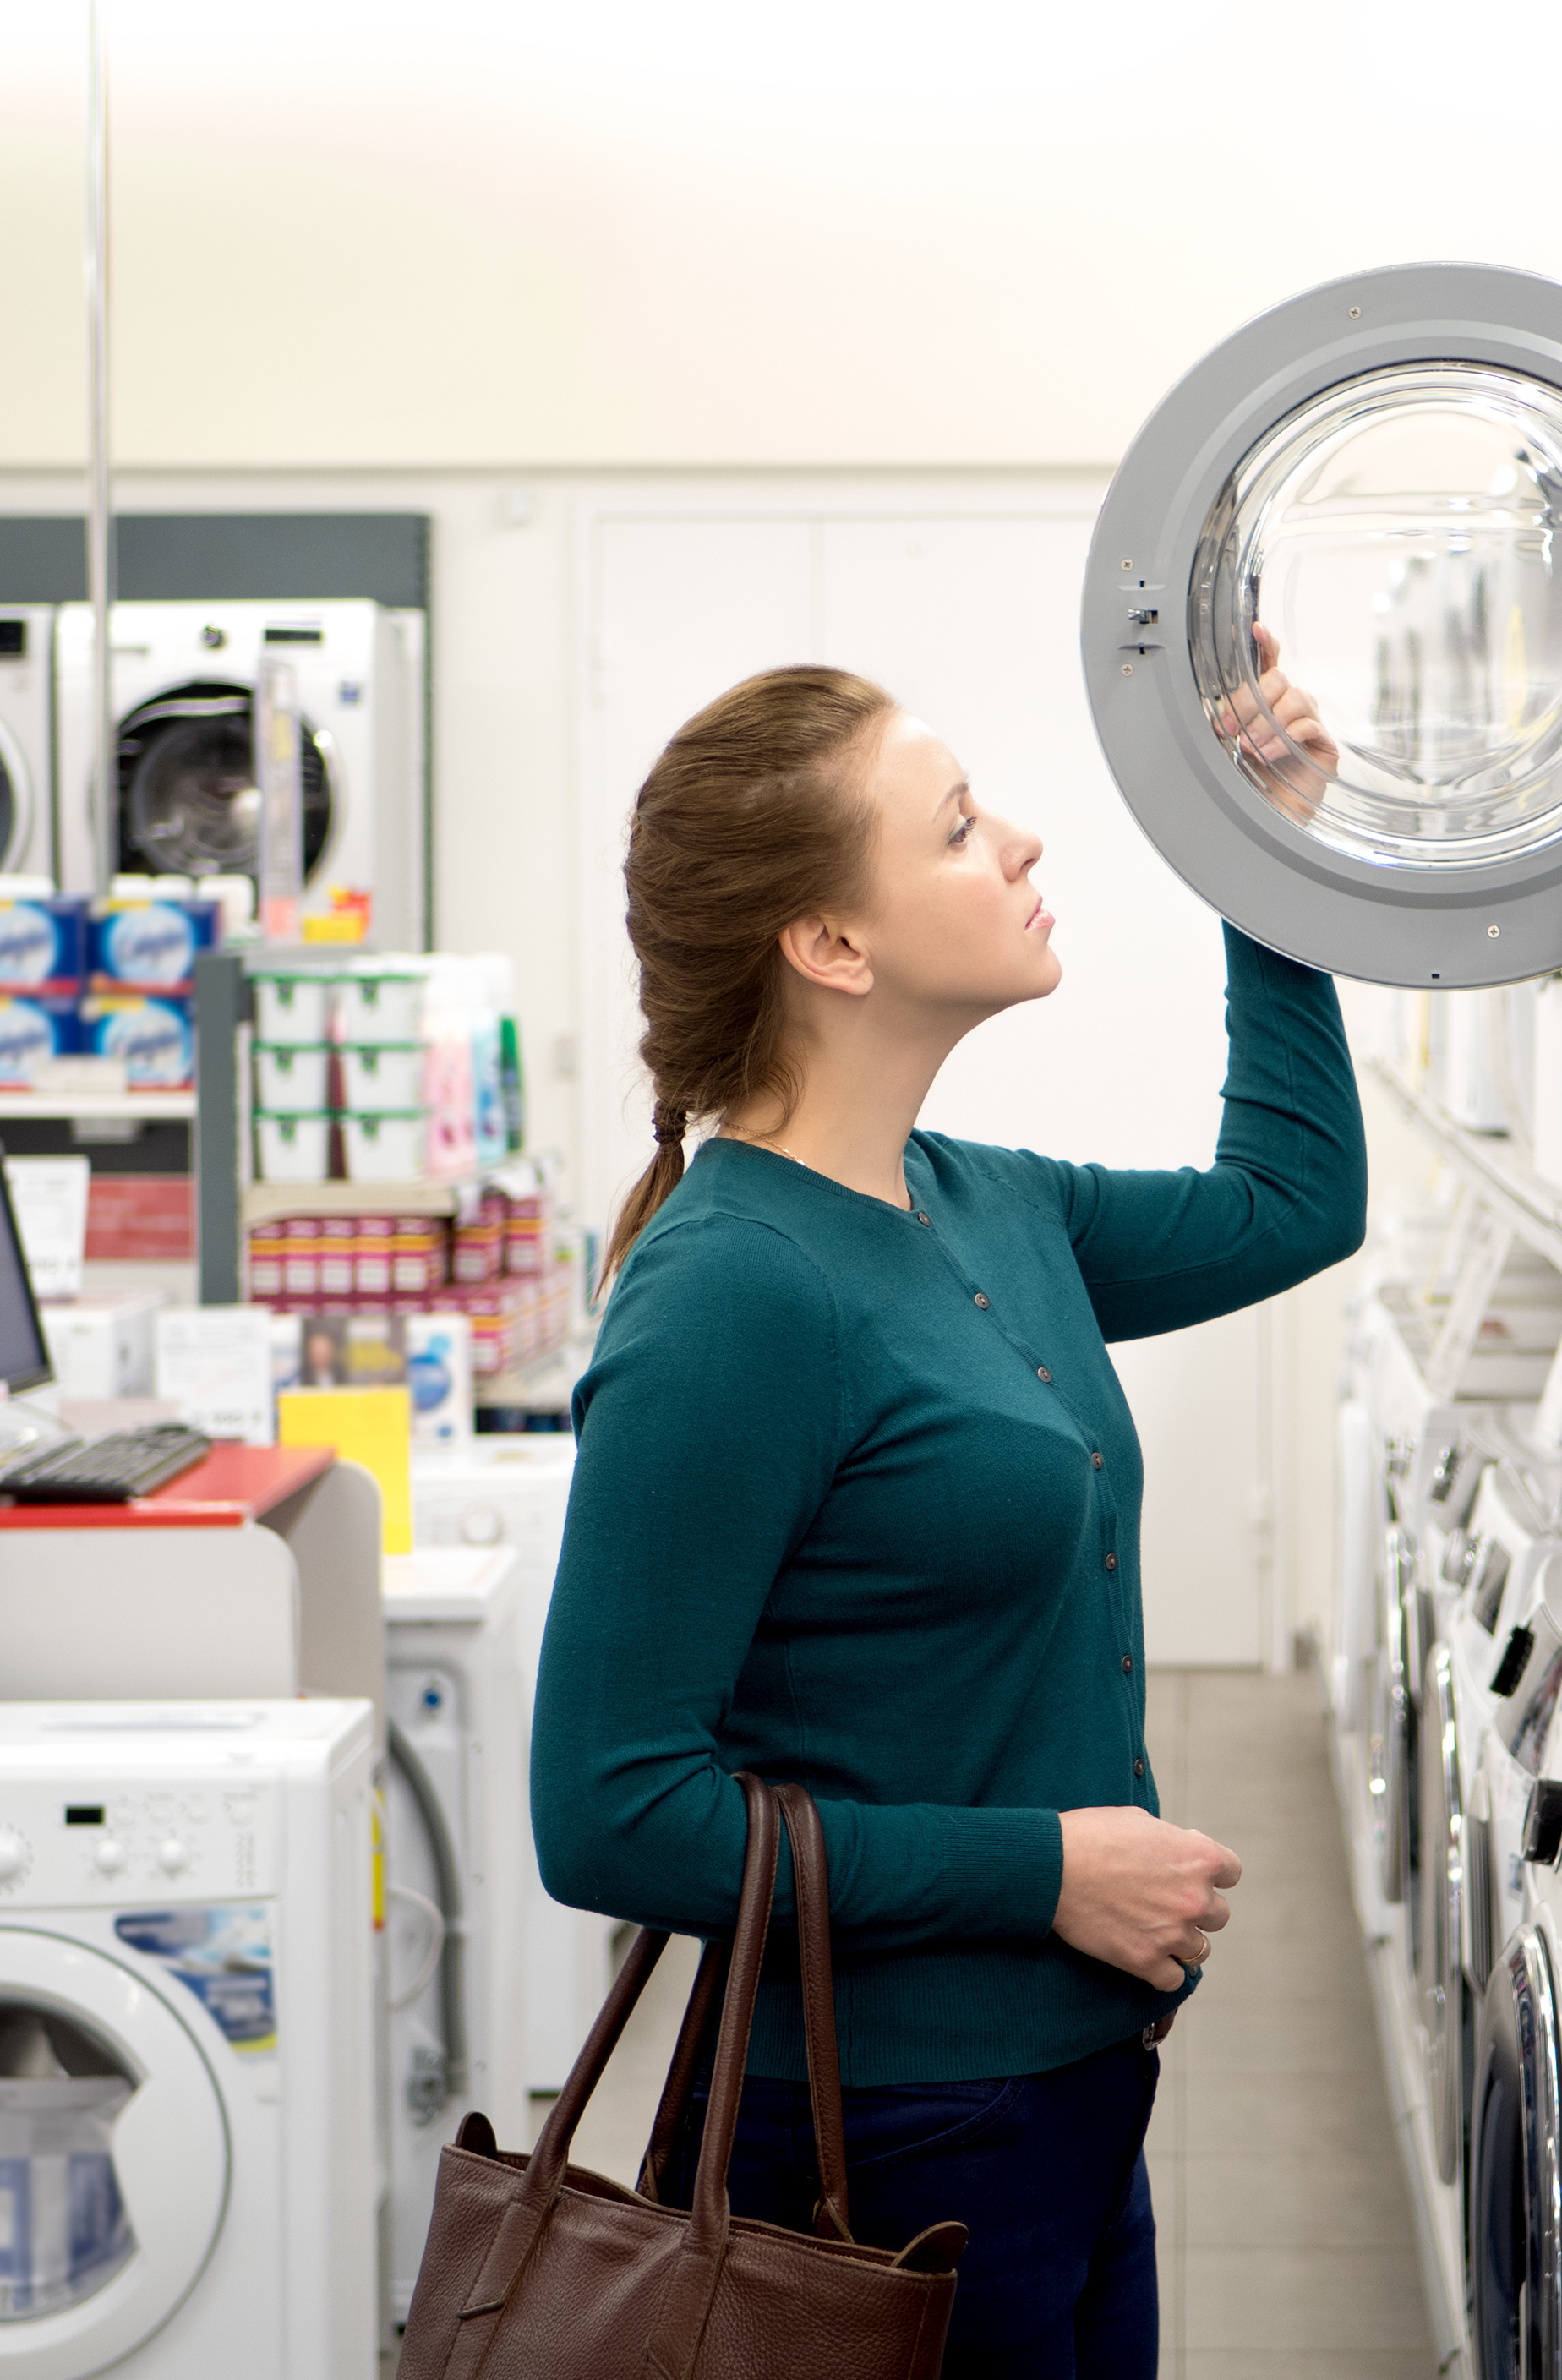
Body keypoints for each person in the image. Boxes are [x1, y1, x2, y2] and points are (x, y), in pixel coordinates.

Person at [531, 647, 1363, 2377]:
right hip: (870, 2145)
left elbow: (1292, 1203)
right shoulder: (729, 1293)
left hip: (1056, 2097)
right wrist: (1041, 1869)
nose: (1024, 845)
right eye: (961, 826)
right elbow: (608, 1816)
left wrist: (1263, 862)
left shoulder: (980, 1202)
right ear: (830, 947)